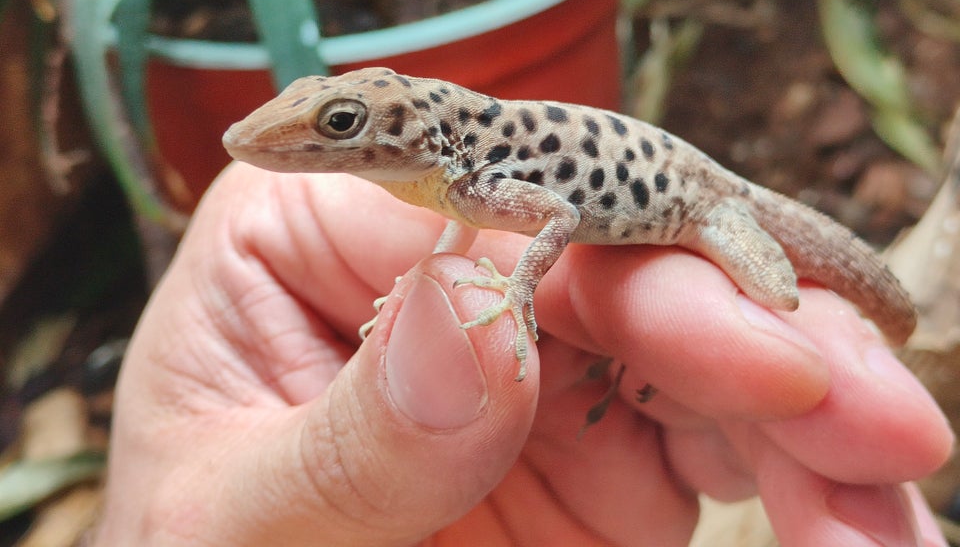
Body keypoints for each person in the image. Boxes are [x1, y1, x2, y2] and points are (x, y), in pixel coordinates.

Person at [92, 163, 952, 545]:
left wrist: (514, 291)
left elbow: (561, 218)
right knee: (734, 346)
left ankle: (860, 315)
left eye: (346, 126)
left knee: (775, 300)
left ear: (408, 133)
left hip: (708, 206)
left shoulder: (471, 174)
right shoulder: (455, 182)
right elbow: (495, 218)